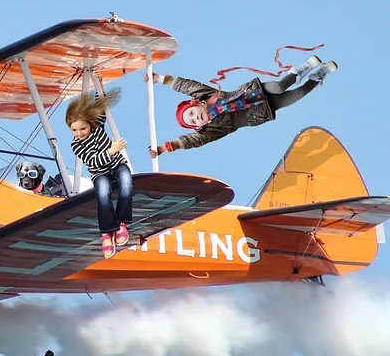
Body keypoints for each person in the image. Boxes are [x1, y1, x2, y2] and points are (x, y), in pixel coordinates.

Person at [145, 56, 337, 157]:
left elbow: (186, 85)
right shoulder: (212, 130)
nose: (197, 117)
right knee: (299, 94)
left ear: (196, 104)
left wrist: (159, 79)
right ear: (197, 127)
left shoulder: (209, 96)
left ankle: (300, 69)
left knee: (279, 86)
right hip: (261, 111)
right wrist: (167, 147)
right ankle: (319, 75)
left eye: (193, 113)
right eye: (194, 121)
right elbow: (193, 141)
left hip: (255, 92)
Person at [65, 88, 133, 259]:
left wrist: (99, 84)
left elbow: (101, 106)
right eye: (74, 130)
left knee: (126, 180)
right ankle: (106, 231)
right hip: (99, 172)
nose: (79, 133)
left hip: (116, 164)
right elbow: (93, 162)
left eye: (83, 128)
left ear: (91, 124)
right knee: (102, 193)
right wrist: (112, 150)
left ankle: (122, 222)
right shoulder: (76, 145)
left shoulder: (98, 126)